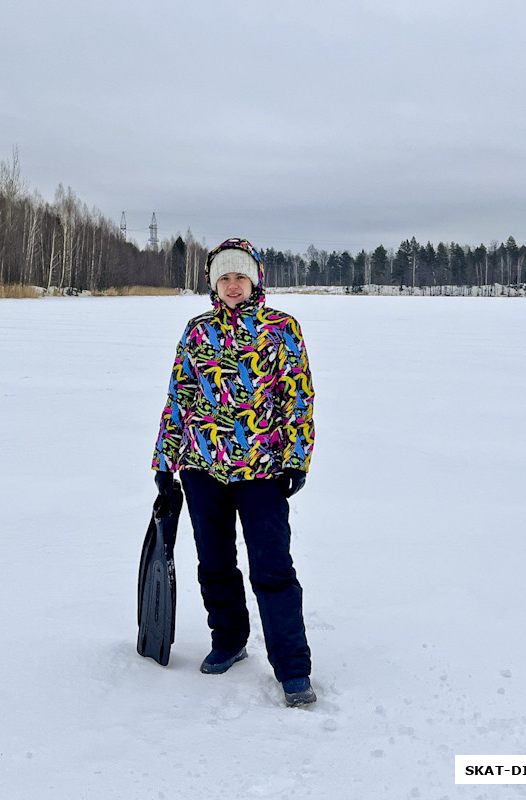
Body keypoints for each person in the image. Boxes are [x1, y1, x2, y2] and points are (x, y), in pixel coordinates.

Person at [152, 237, 316, 707]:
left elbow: (297, 398)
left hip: (262, 469)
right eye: (223, 277)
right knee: (215, 562)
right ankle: (229, 640)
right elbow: (179, 398)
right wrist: (166, 463)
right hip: (202, 467)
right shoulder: (197, 330)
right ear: (212, 283)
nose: (232, 285)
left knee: (273, 567)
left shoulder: (282, 328)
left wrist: (295, 458)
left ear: (256, 279)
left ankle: (292, 667)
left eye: (240, 276)